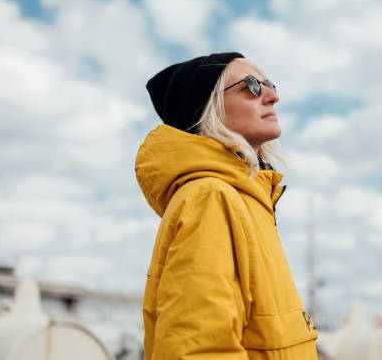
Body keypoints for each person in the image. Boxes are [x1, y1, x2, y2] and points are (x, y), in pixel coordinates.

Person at [135, 52, 318, 359]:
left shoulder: (247, 201)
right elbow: (198, 350)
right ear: (207, 109)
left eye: (269, 84)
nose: (273, 96)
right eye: (251, 86)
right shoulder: (210, 198)